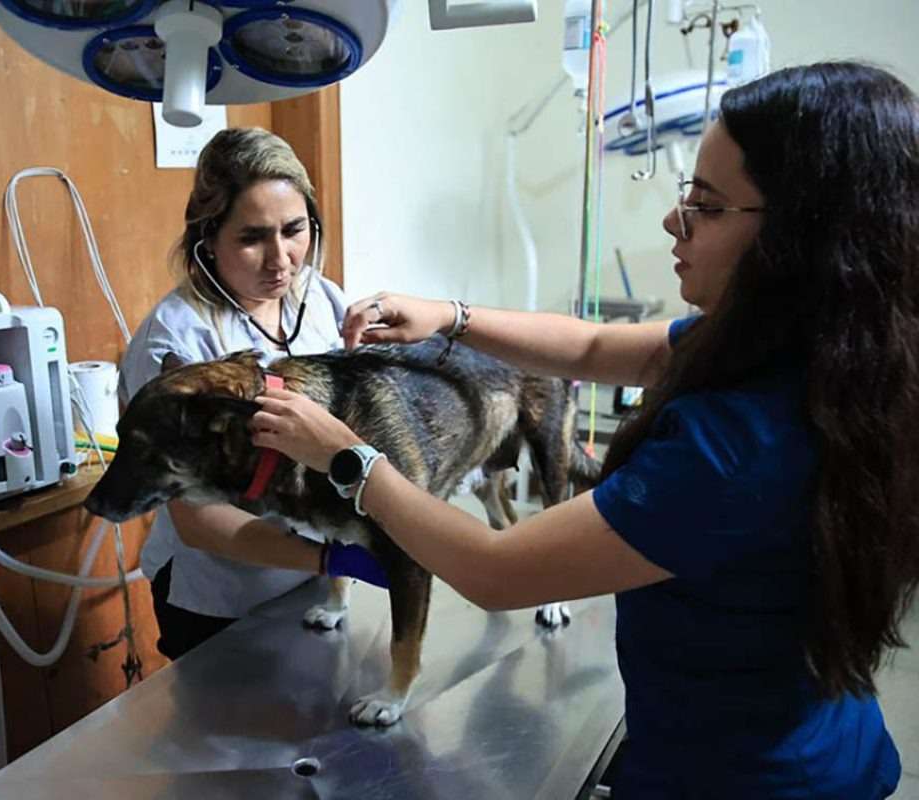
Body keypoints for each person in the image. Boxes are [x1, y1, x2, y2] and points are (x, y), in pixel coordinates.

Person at [250, 62, 915, 797]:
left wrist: (345, 457)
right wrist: (451, 317)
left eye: (708, 204)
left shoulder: (735, 449)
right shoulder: (828, 349)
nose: (674, 220)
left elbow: (495, 572)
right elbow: (595, 347)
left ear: (803, 237)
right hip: (822, 739)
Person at [119, 127, 382, 661]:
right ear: (207, 239)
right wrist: (334, 559)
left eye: (294, 230)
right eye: (252, 237)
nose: (280, 259)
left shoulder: (320, 299)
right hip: (220, 596)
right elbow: (202, 522)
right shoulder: (177, 342)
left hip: (315, 582)